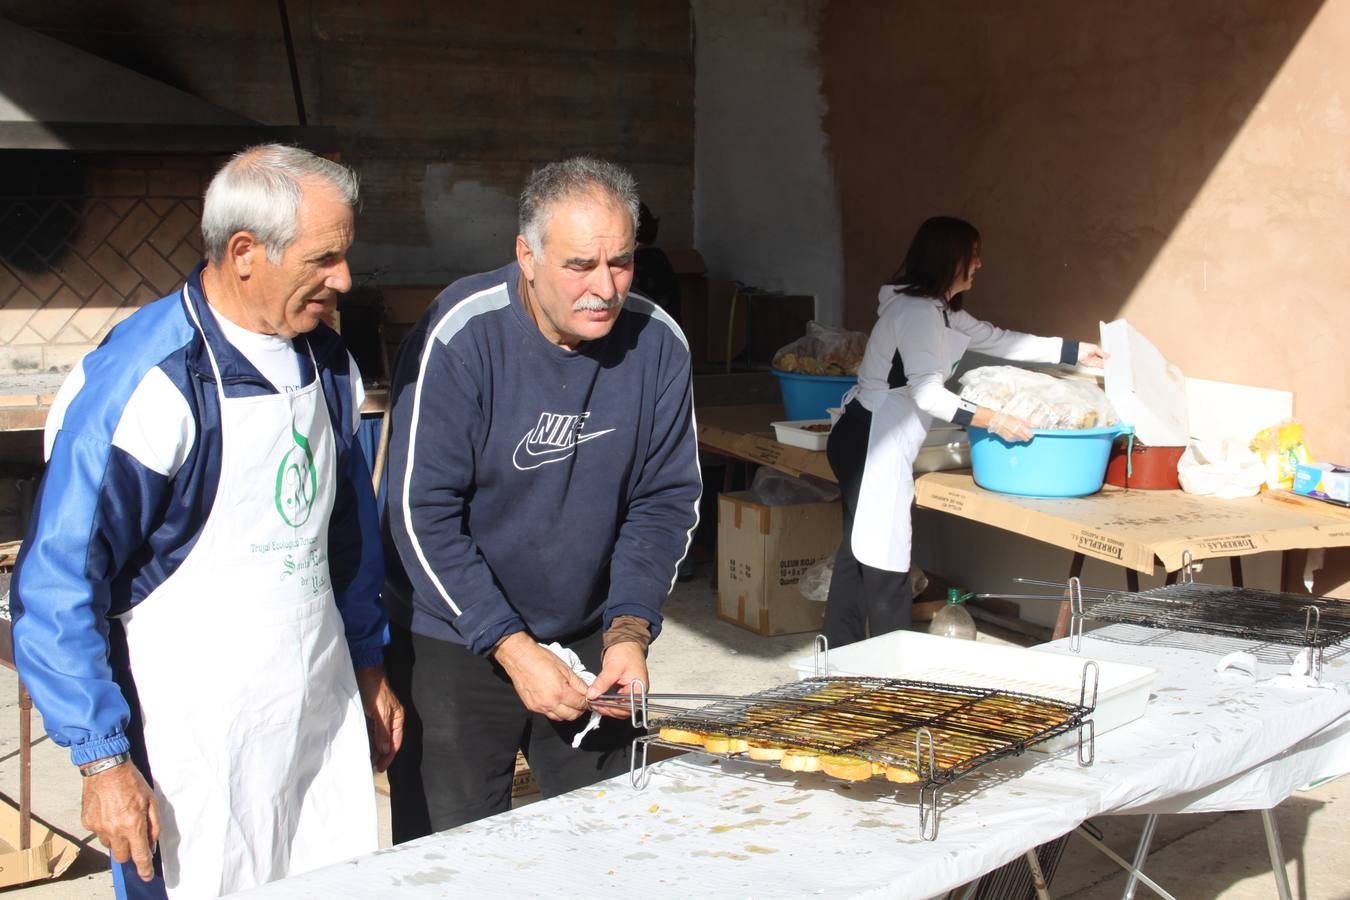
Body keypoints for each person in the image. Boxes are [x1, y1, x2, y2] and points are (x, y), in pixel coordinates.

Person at [10, 144, 403, 899]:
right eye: (324, 259)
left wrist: (368, 664)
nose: (344, 280)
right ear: (246, 252)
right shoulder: (150, 385)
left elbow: (344, 535)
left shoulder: (328, 363)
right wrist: (101, 759)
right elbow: (59, 587)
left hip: (311, 713)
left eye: (345, 255)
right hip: (186, 737)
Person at [383, 156, 701, 841]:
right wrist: (510, 644)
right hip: (456, 636)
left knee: (611, 839)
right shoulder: (461, 334)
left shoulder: (658, 346)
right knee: (453, 856)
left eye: (620, 263)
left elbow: (664, 501)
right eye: (579, 265)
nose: (605, 288)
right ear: (526, 255)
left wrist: (629, 631)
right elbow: (418, 511)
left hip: (591, 633)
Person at [823, 215, 1105, 647]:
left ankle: (841, 660)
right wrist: (996, 419)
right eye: (972, 255)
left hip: (868, 434)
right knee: (884, 560)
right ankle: (890, 674)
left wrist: (1078, 352)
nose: (979, 264)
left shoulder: (940, 311)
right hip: (871, 441)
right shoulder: (918, 313)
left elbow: (1002, 340)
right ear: (948, 259)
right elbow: (927, 393)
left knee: (858, 555)